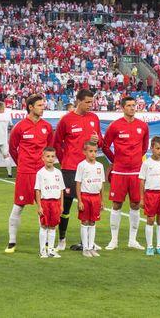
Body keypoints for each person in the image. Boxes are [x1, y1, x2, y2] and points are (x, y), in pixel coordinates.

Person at [55, 89, 102, 251]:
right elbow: (57, 143)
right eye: (87, 102)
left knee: (88, 204)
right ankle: (62, 239)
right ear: (78, 101)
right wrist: (64, 161)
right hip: (70, 168)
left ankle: (87, 242)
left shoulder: (94, 118)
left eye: (92, 102)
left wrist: (98, 140)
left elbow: (100, 141)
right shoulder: (66, 120)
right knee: (66, 204)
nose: (90, 105)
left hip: (89, 170)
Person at [5, 94, 52, 253]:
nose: (42, 107)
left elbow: (50, 148)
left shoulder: (46, 127)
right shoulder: (20, 126)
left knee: (44, 206)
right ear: (31, 107)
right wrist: (22, 163)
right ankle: (12, 242)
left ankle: (45, 243)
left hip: (42, 173)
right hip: (25, 172)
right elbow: (12, 148)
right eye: (39, 105)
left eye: (43, 105)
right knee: (18, 206)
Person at [102, 96, 148, 250]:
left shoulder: (143, 126)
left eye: (134, 105)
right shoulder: (114, 126)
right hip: (119, 172)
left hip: (136, 172)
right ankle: (113, 240)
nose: (132, 108)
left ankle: (132, 240)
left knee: (135, 204)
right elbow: (105, 146)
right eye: (129, 105)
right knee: (116, 204)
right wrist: (115, 160)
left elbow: (144, 147)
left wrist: (134, 160)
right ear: (123, 108)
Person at [139, 136, 160, 256]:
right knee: (150, 219)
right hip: (151, 194)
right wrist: (142, 198)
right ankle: (150, 246)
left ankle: (159, 246)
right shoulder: (146, 163)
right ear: (151, 148)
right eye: (158, 148)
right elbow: (142, 181)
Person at [75, 141, 105, 258]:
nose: (93, 154)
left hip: (96, 197)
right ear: (84, 152)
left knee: (93, 222)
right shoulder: (82, 165)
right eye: (90, 151)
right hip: (85, 196)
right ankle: (85, 248)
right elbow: (78, 183)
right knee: (85, 221)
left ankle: (91, 246)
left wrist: (102, 200)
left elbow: (101, 183)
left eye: (95, 151)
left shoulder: (100, 166)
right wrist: (80, 200)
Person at [35, 146, 63, 258]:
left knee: (52, 226)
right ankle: (42, 250)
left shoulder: (58, 173)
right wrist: (39, 206)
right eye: (48, 156)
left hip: (56, 203)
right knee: (44, 226)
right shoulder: (40, 173)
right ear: (43, 158)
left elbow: (61, 190)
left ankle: (51, 250)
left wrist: (61, 205)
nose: (50, 159)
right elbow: (38, 190)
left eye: (52, 156)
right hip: (45, 202)